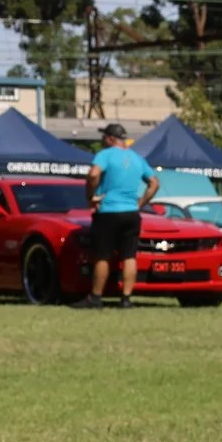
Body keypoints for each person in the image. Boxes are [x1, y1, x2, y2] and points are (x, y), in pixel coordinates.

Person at [82, 123, 158, 309]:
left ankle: (96, 297)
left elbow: (93, 175)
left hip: (108, 211)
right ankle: (126, 298)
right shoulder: (137, 158)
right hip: (131, 212)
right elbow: (154, 183)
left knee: (102, 255)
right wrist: (140, 204)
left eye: (103, 138)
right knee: (129, 255)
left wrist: (91, 196)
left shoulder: (105, 155)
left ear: (110, 139)